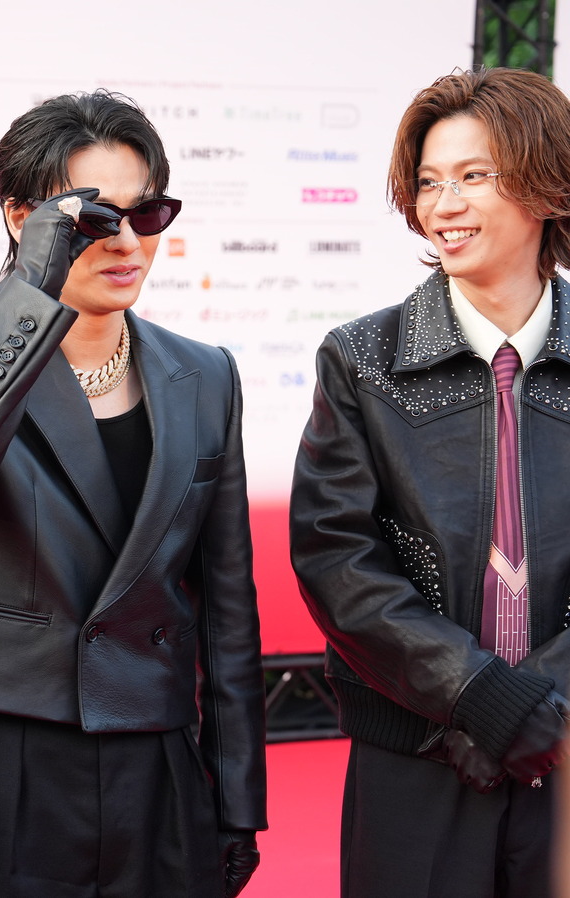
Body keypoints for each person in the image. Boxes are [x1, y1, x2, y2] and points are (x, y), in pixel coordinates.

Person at [0, 90, 267, 898]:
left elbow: (228, 606)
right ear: (23, 218)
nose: (126, 241)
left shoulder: (204, 374)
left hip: (155, 757)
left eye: (145, 214)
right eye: (93, 218)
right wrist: (34, 287)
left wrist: (236, 798)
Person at [290, 67, 570, 898]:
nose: (444, 205)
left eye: (473, 176)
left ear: (546, 184)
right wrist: (481, 699)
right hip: (417, 751)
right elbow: (337, 561)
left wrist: (542, 707)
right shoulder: (362, 360)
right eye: (428, 183)